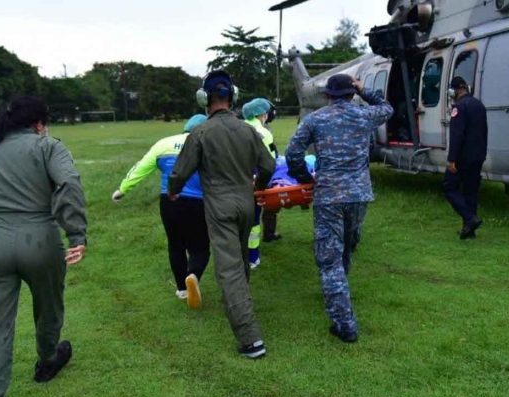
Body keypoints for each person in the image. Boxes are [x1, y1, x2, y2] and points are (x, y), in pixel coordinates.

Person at [0, 96, 88, 397]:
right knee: (49, 306)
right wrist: (76, 233)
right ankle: (47, 359)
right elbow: (69, 182)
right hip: (40, 240)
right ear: (39, 123)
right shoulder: (48, 146)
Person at [168, 70, 275, 359]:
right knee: (240, 262)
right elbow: (267, 166)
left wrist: (174, 190)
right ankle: (242, 304)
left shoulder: (201, 132)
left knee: (228, 271)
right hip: (246, 205)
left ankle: (251, 340)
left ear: (204, 99)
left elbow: (179, 172)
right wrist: (258, 187)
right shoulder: (248, 130)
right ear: (233, 97)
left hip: (220, 208)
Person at [285, 73, 393, 343]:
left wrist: (305, 179)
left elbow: (293, 154)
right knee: (347, 246)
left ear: (328, 96)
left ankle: (344, 324)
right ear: (351, 92)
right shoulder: (364, 116)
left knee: (329, 258)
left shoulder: (316, 119)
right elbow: (388, 107)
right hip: (359, 196)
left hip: (329, 197)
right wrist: (364, 89)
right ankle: (338, 290)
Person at [111, 114, 210, 308]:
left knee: (175, 245)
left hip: (169, 201)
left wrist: (122, 189)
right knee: (200, 247)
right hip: (198, 202)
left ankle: (182, 288)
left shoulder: (164, 143)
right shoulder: (207, 144)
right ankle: (194, 275)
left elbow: (141, 167)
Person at [443, 76, 488, 240]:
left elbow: (457, 135)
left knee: (449, 187)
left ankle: (470, 218)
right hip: (478, 155)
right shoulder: (479, 105)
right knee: (470, 192)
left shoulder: (459, 107)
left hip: (463, 157)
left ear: (455, 90)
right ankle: (469, 230)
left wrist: (452, 159)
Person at [241, 98, 279, 270]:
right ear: (261, 114)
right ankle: (252, 257)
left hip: (231, 181)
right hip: (253, 181)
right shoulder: (264, 133)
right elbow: (271, 161)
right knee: (253, 221)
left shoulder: (236, 128)